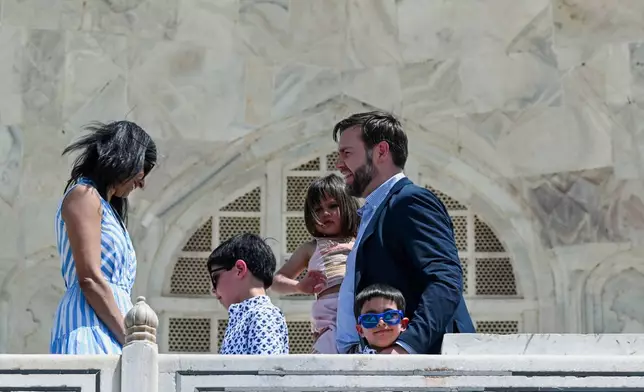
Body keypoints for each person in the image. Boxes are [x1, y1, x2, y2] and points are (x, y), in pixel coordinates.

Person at [333, 111, 475, 355]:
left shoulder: (410, 202)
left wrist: (405, 348)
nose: (338, 164)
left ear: (380, 151)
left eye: (347, 153)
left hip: (420, 368)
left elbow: (444, 281)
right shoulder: (374, 212)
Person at [50, 121, 157, 354]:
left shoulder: (108, 209)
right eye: (144, 169)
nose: (142, 182)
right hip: (88, 322)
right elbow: (89, 278)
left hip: (112, 324)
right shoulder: (83, 196)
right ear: (126, 160)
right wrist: (130, 340)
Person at [272, 174, 360, 353]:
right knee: (328, 359)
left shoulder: (360, 241)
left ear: (349, 205)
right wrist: (299, 286)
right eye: (318, 210)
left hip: (359, 311)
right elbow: (277, 281)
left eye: (333, 206)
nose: (325, 213)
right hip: (330, 317)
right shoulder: (311, 248)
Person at [209, 233, 289, 355]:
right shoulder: (243, 317)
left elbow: (266, 371)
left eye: (215, 277)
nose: (213, 290)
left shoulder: (263, 314)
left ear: (240, 269)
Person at [354, 284, 409, 354]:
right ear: (360, 330)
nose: (381, 322)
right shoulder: (350, 363)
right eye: (370, 319)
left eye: (390, 316)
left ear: (403, 324)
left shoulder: (419, 361)